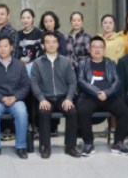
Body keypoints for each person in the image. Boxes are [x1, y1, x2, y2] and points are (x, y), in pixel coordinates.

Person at [76, 36, 128, 156]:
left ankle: (118, 143)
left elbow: (117, 81)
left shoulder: (111, 63)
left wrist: (107, 93)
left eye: (100, 47)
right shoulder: (83, 63)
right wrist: (97, 92)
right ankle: (88, 144)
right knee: (82, 110)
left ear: (104, 49)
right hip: (89, 96)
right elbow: (80, 81)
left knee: (125, 110)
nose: (97, 50)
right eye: (94, 47)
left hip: (108, 96)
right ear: (90, 49)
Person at [31, 31, 80, 159]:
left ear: (58, 44)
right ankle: (46, 146)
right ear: (44, 45)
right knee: (43, 112)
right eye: (48, 42)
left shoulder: (66, 61)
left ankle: (70, 146)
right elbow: (34, 83)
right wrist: (41, 99)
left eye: (54, 42)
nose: (51, 44)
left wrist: (69, 98)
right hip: (46, 98)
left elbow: (72, 82)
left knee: (72, 112)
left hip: (63, 97)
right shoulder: (37, 63)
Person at [0, 35, 30, 159]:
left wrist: (15, 97)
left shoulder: (20, 65)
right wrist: (1, 98)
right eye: (0, 46)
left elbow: (26, 86)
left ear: (11, 48)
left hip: (16, 99)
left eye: (5, 46)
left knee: (22, 112)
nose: (3, 49)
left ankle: (21, 147)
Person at [16, 8, 43, 73]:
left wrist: (31, 61)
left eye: (28, 18)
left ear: (33, 18)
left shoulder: (39, 33)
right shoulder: (18, 34)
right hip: (20, 67)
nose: (25, 20)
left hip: (35, 67)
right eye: (23, 18)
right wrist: (20, 57)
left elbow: (41, 52)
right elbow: (15, 49)